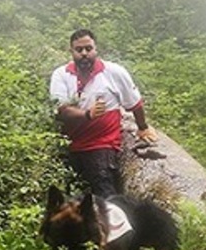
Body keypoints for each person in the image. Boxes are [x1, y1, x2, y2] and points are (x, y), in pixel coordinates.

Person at [49, 28, 158, 198]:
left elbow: (134, 103)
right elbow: (60, 111)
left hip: (101, 145)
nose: (84, 53)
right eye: (79, 50)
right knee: (68, 199)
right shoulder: (61, 74)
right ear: (71, 51)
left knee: (105, 196)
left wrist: (143, 127)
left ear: (96, 49)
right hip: (69, 144)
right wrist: (87, 114)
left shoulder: (114, 72)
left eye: (88, 49)